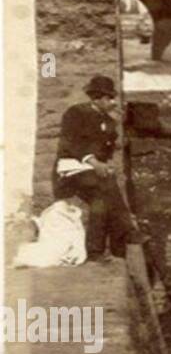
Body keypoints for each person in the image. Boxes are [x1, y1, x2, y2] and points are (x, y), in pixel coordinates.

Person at [51, 75, 137, 260]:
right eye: (109, 98)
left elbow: (109, 147)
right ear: (97, 97)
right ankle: (125, 234)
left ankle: (99, 251)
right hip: (70, 169)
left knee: (102, 198)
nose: (113, 101)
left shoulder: (108, 120)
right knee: (105, 187)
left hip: (92, 172)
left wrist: (116, 125)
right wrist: (94, 162)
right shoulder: (76, 113)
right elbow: (71, 143)